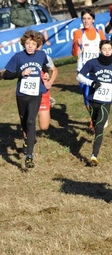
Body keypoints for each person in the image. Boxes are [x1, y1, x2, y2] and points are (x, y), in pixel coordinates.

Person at [2, 30, 49, 168]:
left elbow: (44, 67)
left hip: (36, 93)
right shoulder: (18, 57)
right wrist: (20, 73)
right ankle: (27, 139)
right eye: (28, 43)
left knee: (30, 120)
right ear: (24, 43)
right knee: (24, 121)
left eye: (33, 44)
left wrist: (45, 75)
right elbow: (6, 75)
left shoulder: (41, 55)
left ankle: (29, 155)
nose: (30, 46)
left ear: (37, 45)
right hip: (22, 95)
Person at [76, 40, 112, 166]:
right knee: (95, 122)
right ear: (100, 50)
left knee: (99, 127)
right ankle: (94, 132)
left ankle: (94, 156)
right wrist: (91, 83)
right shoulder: (92, 63)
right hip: (92, 100)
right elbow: (79, 77)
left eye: (109, 49)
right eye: (104, 49)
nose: (107, 52)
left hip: (106, 101)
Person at [72, 9, 106, 127]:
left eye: (88, 18)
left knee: (97, 95)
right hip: (83, 70)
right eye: (84, 19)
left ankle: (97, 118)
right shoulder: (78, 33)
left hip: (97, 70)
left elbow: (105, 50)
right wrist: (77, 44)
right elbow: (74, 53)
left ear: (93, 20)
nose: (86, 21)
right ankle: (94, 117)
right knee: (87, 97)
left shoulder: (99, 33)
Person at [38, 33, 58, 131]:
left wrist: (50, 82)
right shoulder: (24, 56)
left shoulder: (45, 57)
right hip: (28, 93)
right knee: (29, 121)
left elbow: (54, 70)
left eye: (39, 43)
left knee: (44, 127)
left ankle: (47, 104)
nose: (37, 46)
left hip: (43, 91)